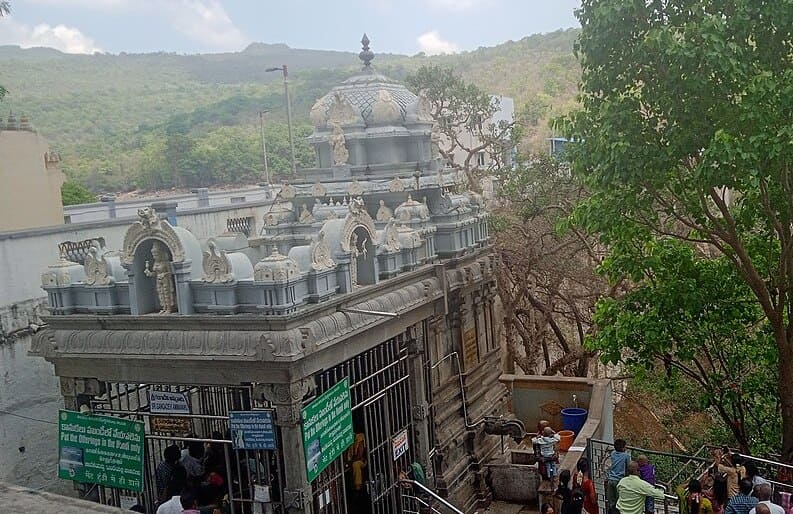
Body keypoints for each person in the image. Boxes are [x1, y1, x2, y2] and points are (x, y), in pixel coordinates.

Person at [608, 439, 631, 509]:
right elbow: (628, 467)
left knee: (611, 502)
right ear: (623, 448)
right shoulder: (626, 456)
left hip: (610, 479)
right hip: (619, 480)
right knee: (619, 502)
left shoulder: (613, 453)